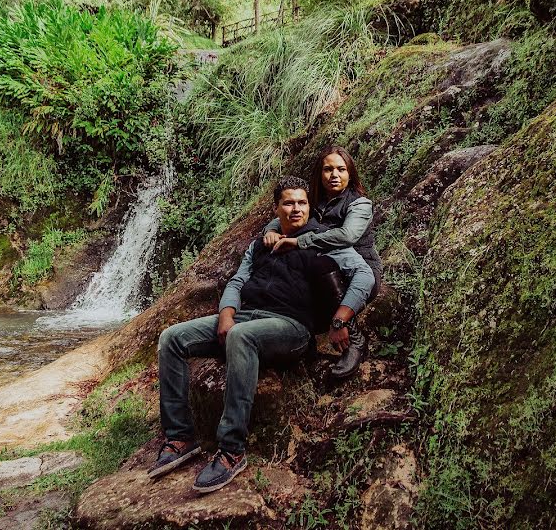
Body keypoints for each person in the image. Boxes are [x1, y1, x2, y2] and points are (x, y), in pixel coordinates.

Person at [148, 176, 374, 493]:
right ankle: (181, 437)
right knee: (171, 338)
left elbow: (363, 275)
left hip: (291, 327)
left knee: (241, 337)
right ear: (276, 207)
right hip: (244, 316)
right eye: (289, 203)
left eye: (302, 203)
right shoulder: (261, 243)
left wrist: (341, 318)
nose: (296, 209)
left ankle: (231, 450)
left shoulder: (322, 240)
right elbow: (238, 281)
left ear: (309, 206)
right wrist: (226, 313)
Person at [263, 146, 383, 378]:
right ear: (320, 174)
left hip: (358, 269)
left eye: (341, 169)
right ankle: (300, 342)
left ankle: (353, 338)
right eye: (328, 169)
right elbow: (287, 213)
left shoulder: (360, 204)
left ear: (350, 174)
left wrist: (301, 241)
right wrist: (271, 229)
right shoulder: (312, 202)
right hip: (322, 266)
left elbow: (347, 235)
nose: (334, 175)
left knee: (316, 267)